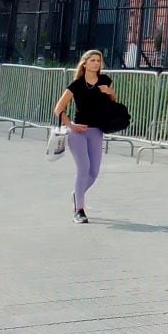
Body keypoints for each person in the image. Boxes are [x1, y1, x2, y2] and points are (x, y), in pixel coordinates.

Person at [52, 50, 120, 223]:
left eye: (99, 61)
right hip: (78, 132)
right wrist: (70, 125)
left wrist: (110, 93)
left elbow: (113, 102)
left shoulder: (105, 81)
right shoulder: (76, 84)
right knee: (83, 169)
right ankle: (79, 210)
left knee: (94, 172)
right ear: (85, 63)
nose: (96, 63)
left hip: (97, 130)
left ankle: (77, 193)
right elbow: (59, 109)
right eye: (93, 60)